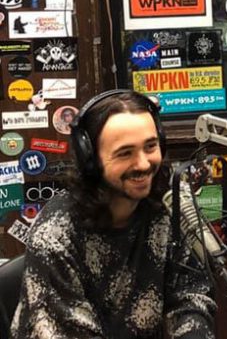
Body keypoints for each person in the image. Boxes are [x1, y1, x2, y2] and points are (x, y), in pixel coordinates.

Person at [11, 90, 216, 338]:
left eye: (150, 146)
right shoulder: (55, 236)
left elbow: (191, 297)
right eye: (125, 153)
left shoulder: (173, 206)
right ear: (91, 160)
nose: (143, 164)